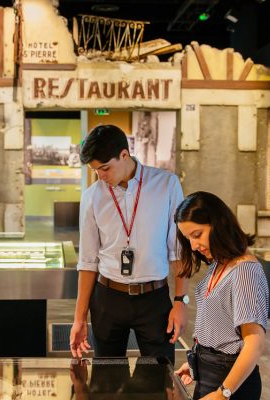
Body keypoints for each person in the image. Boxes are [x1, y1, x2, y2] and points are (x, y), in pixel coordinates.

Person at [70, 124, 187, 364]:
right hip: (107, 299)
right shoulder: (92, 196)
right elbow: (88, 261)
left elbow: (178, 250)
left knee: (159, 381)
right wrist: (79, 318)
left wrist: (180, 302)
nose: (101, 176)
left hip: (153, 299)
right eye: (95, 171)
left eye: (105, 168)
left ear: (124, 155)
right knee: (106, 381)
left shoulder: (166, 185)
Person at [172, 192, 268, 400]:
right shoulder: (220, 263)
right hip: (211, 376)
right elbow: (220, 327)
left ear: (218, 224)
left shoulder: (245, 271)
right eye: (188, 238)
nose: (193, 246)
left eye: (197, 235)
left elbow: (255, 343)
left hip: (230, 384)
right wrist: (195, 363)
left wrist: (223, 393)